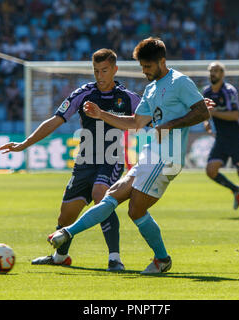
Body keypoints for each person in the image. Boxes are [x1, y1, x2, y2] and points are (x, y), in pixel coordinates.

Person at [49, 38, 211, 274]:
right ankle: (68, 234)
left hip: (168, 157)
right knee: (115, 198)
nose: (144, 71)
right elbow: (135, 122)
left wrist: (171, 125)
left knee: (132, 208)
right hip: (152, 154)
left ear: (162, 61)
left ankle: (68, 233)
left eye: (148, 66)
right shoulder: (151, 88)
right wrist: (102, 114)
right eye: (142, 67)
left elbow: (202, 112)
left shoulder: (179, 82)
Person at [0, 49, 141, 271]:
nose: (100, 76)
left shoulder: (128, 98)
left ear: (115, 70)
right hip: (85, 160)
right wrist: (24, 144)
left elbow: (146, 119)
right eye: (96, 71)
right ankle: (60, 257)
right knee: (66, 214)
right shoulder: (83, 93)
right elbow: (55, 121)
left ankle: (115, 258)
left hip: (111, 159)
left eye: (104, 70)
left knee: (100, 194)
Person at [202, 61, 239, 220]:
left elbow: (234, 115)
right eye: (211, 71)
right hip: (221, 138)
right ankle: (235, 189)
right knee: (210, 170)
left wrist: (213, 114)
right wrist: (206, 122)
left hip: (236, 137)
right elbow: (205, 112)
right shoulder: (206, 92)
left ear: (223, 74)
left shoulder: (229, 91)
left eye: (216, 71)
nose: (213, 73)